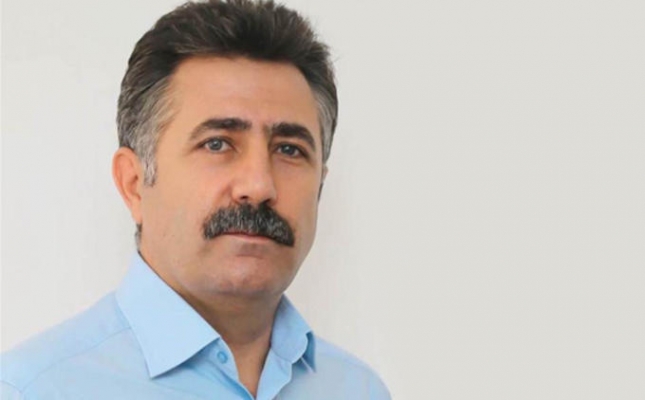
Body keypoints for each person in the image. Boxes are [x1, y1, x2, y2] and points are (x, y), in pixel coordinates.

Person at [0, 0, 391, 399]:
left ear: (320, 185)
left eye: (289, 150)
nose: (259, 185)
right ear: (134, 183)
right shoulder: (29, 390)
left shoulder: (359, 390)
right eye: (217, 143)